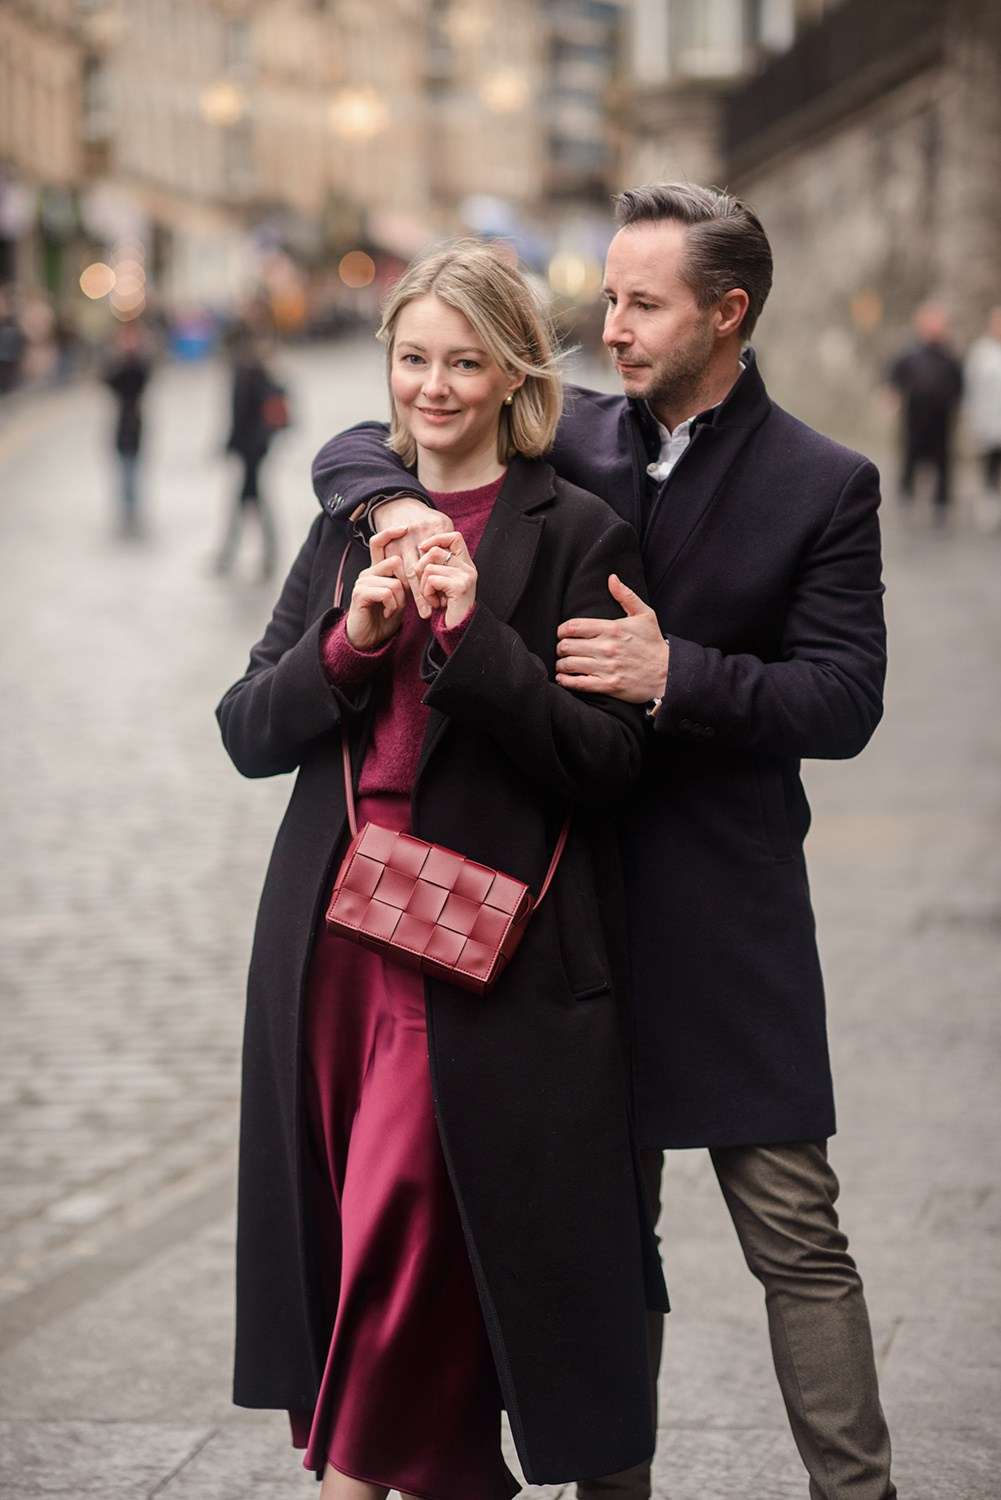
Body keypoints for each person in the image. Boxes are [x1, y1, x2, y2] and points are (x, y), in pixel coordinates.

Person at [311, 183, 894, 1500]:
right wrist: (391, 508)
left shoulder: (823, 482)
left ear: (726, 313)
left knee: (793, 1231)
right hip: (563, 908)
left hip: (725, 915)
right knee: (598, 1237)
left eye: (643, 304)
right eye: (609, 298)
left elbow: (844, 700)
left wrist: (674, 672)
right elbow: (364, 439)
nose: (610, 328)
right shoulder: (569, 437)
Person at [216, 241, 667, 1500]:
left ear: (513, 374)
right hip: (334, 938)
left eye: (464, 363)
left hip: (470, 945)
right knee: (374, 1238)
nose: (434, 387)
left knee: (405, 1227)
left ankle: (349, 1483)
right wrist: (351, 643)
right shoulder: (349, 524)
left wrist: (472, 639)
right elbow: (247, 730)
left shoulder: (576, 532)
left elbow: (607, 763)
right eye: (413, 359)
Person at [215, 330, 286, 579]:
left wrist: (237, 443)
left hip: (252, 451)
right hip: (251, 449)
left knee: (252, 501)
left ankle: (254, 554)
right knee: (249, 501)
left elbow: (242, 415)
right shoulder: (252, 371)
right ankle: (238, 553)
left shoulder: (249, 373)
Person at [886, 300, 963, 515]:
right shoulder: (910, 354)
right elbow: (893, 376)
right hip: (915, 414)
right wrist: (891, 394)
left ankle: (941, 500)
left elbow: (959, 385)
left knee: (943, 458)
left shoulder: (950, 357)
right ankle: (906, 493)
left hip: (941, 416)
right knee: (910, 453)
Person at [101, 319, 152, 536]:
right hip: (122, 425)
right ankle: (126, 507)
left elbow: (142, 374)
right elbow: (107, 379)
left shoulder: (138, 366)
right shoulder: (118, 367)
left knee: (133, 470)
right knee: (124, 469)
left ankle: (131, 507)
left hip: (134, 425)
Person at [963, 304, 1001, 508]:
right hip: (988, 422)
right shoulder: (981, 352)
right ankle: (989, 502)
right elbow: (970, 388)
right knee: (990, 463)